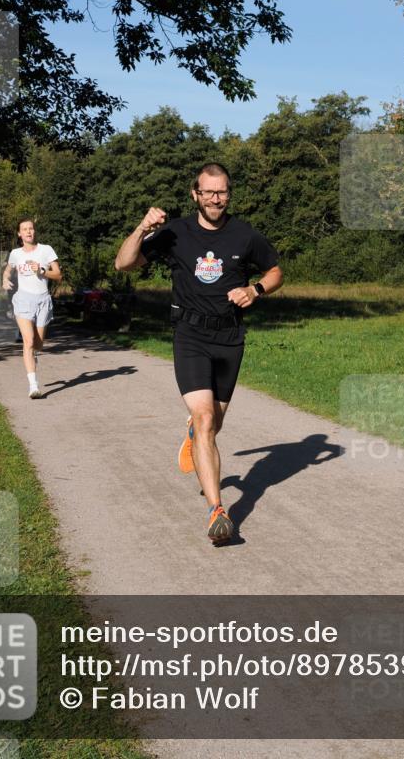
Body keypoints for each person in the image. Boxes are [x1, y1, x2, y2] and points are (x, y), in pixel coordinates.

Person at [115, 162, 283, 545]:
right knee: (207, 420)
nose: (215, 198)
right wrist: (143, 228)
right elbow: (124, 263)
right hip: (189, 336)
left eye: (221, 191)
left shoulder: (245, 235)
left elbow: (275, 271)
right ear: (195, 194)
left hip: (230, 339)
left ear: (229, 194)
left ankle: (194, 432)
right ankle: (218, 512)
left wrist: (255, 290)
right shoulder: (174, 232)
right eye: (207, 192)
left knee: (212, 423)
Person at [2, 218, 62, 398]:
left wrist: (42, 271)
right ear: (19, 234)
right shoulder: (15, 253)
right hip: (23, 300)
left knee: (38, 344)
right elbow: (8, 270)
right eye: (24, 229)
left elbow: (58, 275)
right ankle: (33, 386)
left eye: (31, 228)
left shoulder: (46, 250)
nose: (29, 232)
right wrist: (5, 279)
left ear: (35, 231)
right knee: (27, 342)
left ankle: (34, 354)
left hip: (43, 300)